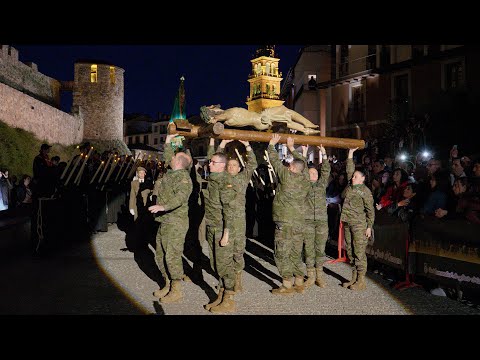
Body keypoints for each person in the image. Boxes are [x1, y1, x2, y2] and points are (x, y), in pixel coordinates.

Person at [149, 134, 193, 303]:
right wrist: (168, 140)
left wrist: (163, 206)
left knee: (172, 255)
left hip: (176, 222)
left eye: (174, 156)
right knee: (160, 254)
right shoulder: (172, 172)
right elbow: (167, 155)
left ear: (179, 162)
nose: (170, 157)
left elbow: (180, 198)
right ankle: (167, 283)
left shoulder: (183, 178)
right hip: (164, 221)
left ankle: (176, 289)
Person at [210, 138, 258, 295]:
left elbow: (252, 164)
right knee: (225, 253)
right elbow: (215, 160)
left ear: (239, 168)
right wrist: (222, 145)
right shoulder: (221, 177)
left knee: (238, 251)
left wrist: (247, 145)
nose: (231, 167)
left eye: (234, 165)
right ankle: (226, 282)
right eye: (229, 165)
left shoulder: (242, 178)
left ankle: (237, 278)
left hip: (238, 221)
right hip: (225, 220)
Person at [268, 134, 311, 294]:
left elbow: (274, 161)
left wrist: (272, 144)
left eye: (290, 165)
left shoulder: (286, 176)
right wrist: (293, 149)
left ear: (292, 168)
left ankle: (287, 285)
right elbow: (303, 165)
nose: (288, 166)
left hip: (285, 223)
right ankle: (299, 281)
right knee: (295, 252)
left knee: (281, 253)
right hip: (299, 223)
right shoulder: (305, 179)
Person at [289, 141, 331, 288]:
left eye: (315, 173)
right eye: (311, 172)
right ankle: (311, 275)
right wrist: (305, 154)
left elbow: (326, 170)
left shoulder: (321, 185)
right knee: (308, 249)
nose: (313, 174)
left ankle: (320, 275)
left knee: (320, 248)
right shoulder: (304, 184)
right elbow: (303, 168)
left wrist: (324, 154)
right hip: (306, 221)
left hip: (321, 222)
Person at [340, 147, 375, 291]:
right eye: (353, 176)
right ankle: (354, 278)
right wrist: (350, 153)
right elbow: (349, 168)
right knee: (350, 250)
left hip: (359, 225)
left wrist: (369, 227)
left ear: (362, 178)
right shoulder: (350, 186)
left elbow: (370, 210)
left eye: (355, 176)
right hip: (348, 222)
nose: (352, 177)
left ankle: (361, 281)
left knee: (359, 252)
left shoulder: (365, 192)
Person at [200, 104, 321, 135]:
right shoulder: (225, 115)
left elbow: (220, 117)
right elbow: (220, 117)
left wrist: (213, 119)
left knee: (285, 122)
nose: (215, 106)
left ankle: (306, 130)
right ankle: (307, 124)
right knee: (286, 111)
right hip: (261, 118)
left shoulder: (227, 118)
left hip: (260, 121)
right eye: (212, 107)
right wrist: (214, 118)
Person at [129, 166, 154, 250]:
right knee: (137, 225)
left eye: (143, 173)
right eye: (140, 173)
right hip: (137, 207)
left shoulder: (149, 183)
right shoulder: (134, 183)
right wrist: (131, 207)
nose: (141, 174)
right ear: (137, 174)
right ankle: (138, 243)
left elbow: (153, 193)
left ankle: (145, 242)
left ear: (145, 174)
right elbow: (132, 196)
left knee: (145, 225)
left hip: (146, 207)